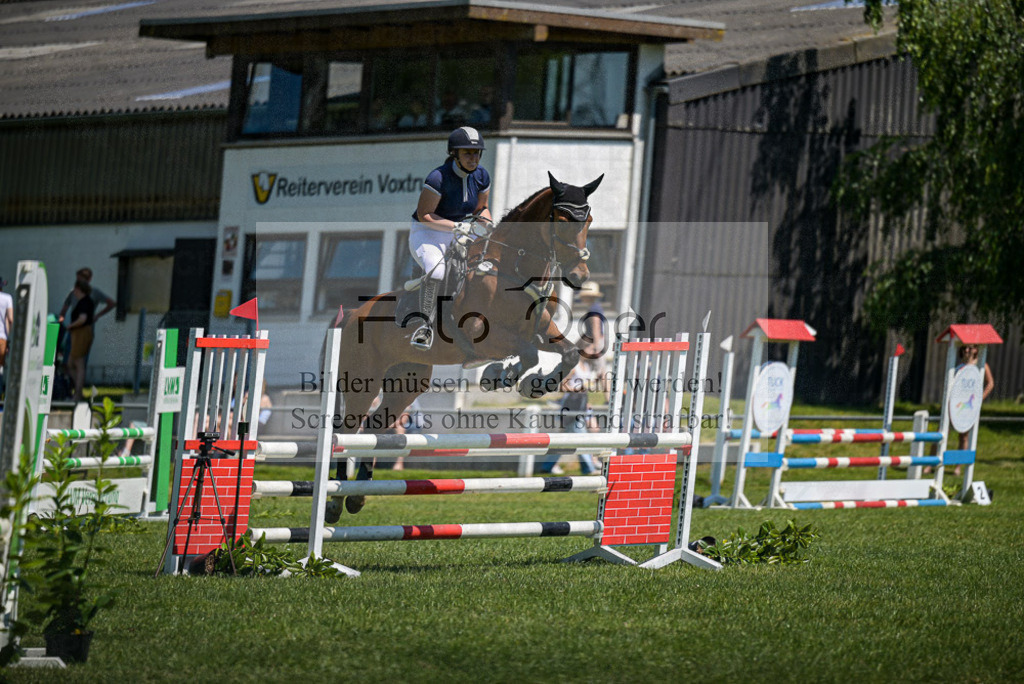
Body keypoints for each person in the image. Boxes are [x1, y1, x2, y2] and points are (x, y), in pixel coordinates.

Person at [408, 126, 492, 349]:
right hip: (427, 232)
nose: (474, 158)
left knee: (484, 266)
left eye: (477, 153)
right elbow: (425, 215)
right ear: (455, 154)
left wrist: (488, 224)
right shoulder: (438, 177)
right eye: (467, 153)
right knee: (437, 270)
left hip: (458, 231)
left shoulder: (482, 176)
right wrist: (456, 226)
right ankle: (424, 327)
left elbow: (481, 208)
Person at [540, 359, 601, 476]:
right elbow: (562, 386)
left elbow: (585, 387)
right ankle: (589, 468)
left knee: (563, 440)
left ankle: (547, 466)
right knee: (581, 438)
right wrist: (576, 389)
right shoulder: (574, 366)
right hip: (571, 405)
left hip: (582, 404)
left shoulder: (587, 365)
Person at [953, 343, 995, 476]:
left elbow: (990, 384)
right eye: (964, 348)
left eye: (970, 348)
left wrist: (980, 398)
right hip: (956, 403)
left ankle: (958, 467)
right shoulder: (959, 365)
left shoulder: (981, 365)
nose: (967, 350)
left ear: (976, 350)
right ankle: (931, 464)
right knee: (941, 431)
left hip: (968, 406)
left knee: (963, 436)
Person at [65, 279, 95, 402]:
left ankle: (78, 393)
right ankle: (78, 390)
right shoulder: (85, 301)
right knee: (70, 363)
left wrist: (71, 326)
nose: (74, 292)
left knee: (78, 362)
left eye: (75, 289)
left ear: (79, 289)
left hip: (81, 333)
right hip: (79, 333)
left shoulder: (84, 302)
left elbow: (82, 319)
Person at [0, 276, 13, 394]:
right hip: (1, 337)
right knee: (0, 367)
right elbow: (10, 319)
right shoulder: (7, 298)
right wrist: (9, 338)